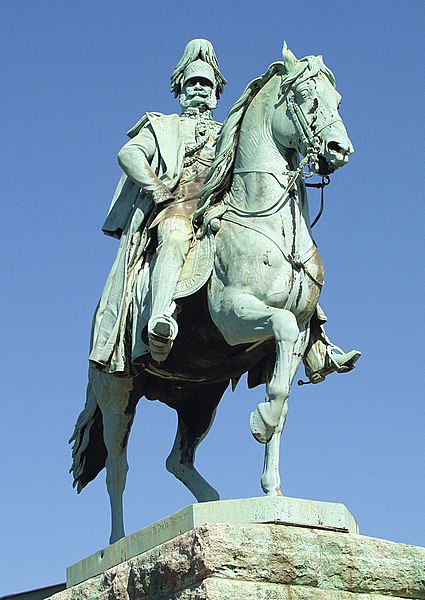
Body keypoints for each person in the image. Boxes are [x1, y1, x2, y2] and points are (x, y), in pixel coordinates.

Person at [89, 39, 226, 372]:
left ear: (215, 93)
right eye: (193, 82)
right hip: (176, 204)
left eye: (205, 83)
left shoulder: (228, 132)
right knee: (175, 234)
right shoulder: (164, 125)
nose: (199, 88)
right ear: (180, 90)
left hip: (219, 211)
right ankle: (160, 318)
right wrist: (157, 189)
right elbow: (129, 154)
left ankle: (313, 340)